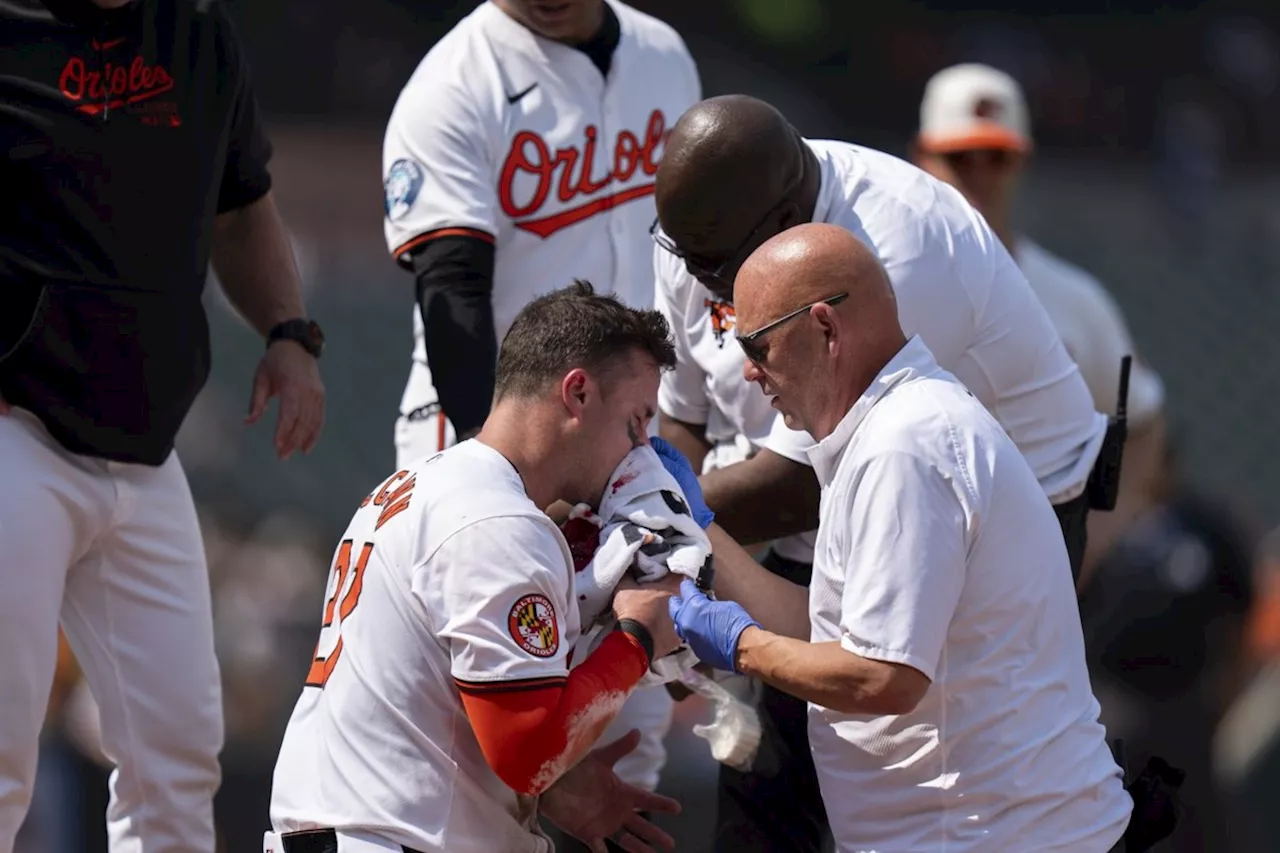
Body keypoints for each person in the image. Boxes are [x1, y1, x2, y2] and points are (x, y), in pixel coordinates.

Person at [650, 93, 1105, 852]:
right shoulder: (720, 225)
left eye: (755, 345)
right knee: (780, 782)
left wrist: (659, 525)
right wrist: (679, 544)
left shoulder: (897, 280)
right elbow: (690, 423)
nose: (745, 369)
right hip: (845, 488)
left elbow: (878, 674)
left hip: (1002, 506)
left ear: (823, 325)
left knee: (927, 749)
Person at [0, 1, 326, 850]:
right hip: (14, 430)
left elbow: (242, 202)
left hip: (146, 448)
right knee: (1, 755)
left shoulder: (193, 31)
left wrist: (288, 333)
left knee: (177, 763)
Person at [381, 0, 701, 801]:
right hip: (492, 439)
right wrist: (511, 484)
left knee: (630, 740)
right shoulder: (454, 83)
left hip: (626, 439)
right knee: (486, 759)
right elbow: (452, 302)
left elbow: (689, 268)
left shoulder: (663, 55)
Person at [269, 281, 699, 853]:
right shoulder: (497, 520)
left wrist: (560, 784)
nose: (641, 448)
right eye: (636, 421)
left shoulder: (423, 484)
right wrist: (639, 635)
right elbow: (529, 753)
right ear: (578, 394)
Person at [910, 62, 1168, 586]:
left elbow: (1143, 423)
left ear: (1021, 162)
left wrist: (1087, 545)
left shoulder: (1075, 298)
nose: (980, 173)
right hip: (904, 569)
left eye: (997, 157)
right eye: (961, 158)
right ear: (923, 159)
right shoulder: (882, 286)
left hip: (1028, 591)